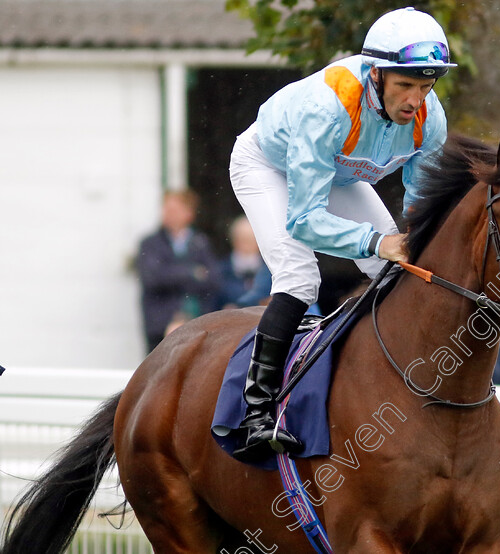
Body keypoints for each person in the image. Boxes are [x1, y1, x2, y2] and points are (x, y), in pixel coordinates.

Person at [227, 7, 455, 460]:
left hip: (336, 174)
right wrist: (375, 242)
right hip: (267, 165)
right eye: (405, 85)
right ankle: (255, 415)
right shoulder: (326, 108)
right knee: (298, 277)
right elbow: (304, 221)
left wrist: (403, 244)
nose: (415, 100)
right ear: (374, 75)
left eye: (426, 86)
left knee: (398, 269)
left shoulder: (431, 121)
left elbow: (418, 212)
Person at [137, 190, 222, 352]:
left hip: (197, 322)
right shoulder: (151, 244)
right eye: (167, 210)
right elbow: (153, 278)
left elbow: (213, 280)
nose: (169, 215)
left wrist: (173, 274)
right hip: (160, 325)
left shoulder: (200, 243)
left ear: (189, 213)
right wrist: (191, 273)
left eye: (174, 210)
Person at [217, 215, 269, 309]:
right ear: (234, 240)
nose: (247, 245)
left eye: (251, 240)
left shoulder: (269, 269)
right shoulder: (221, 269)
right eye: (243, 240)